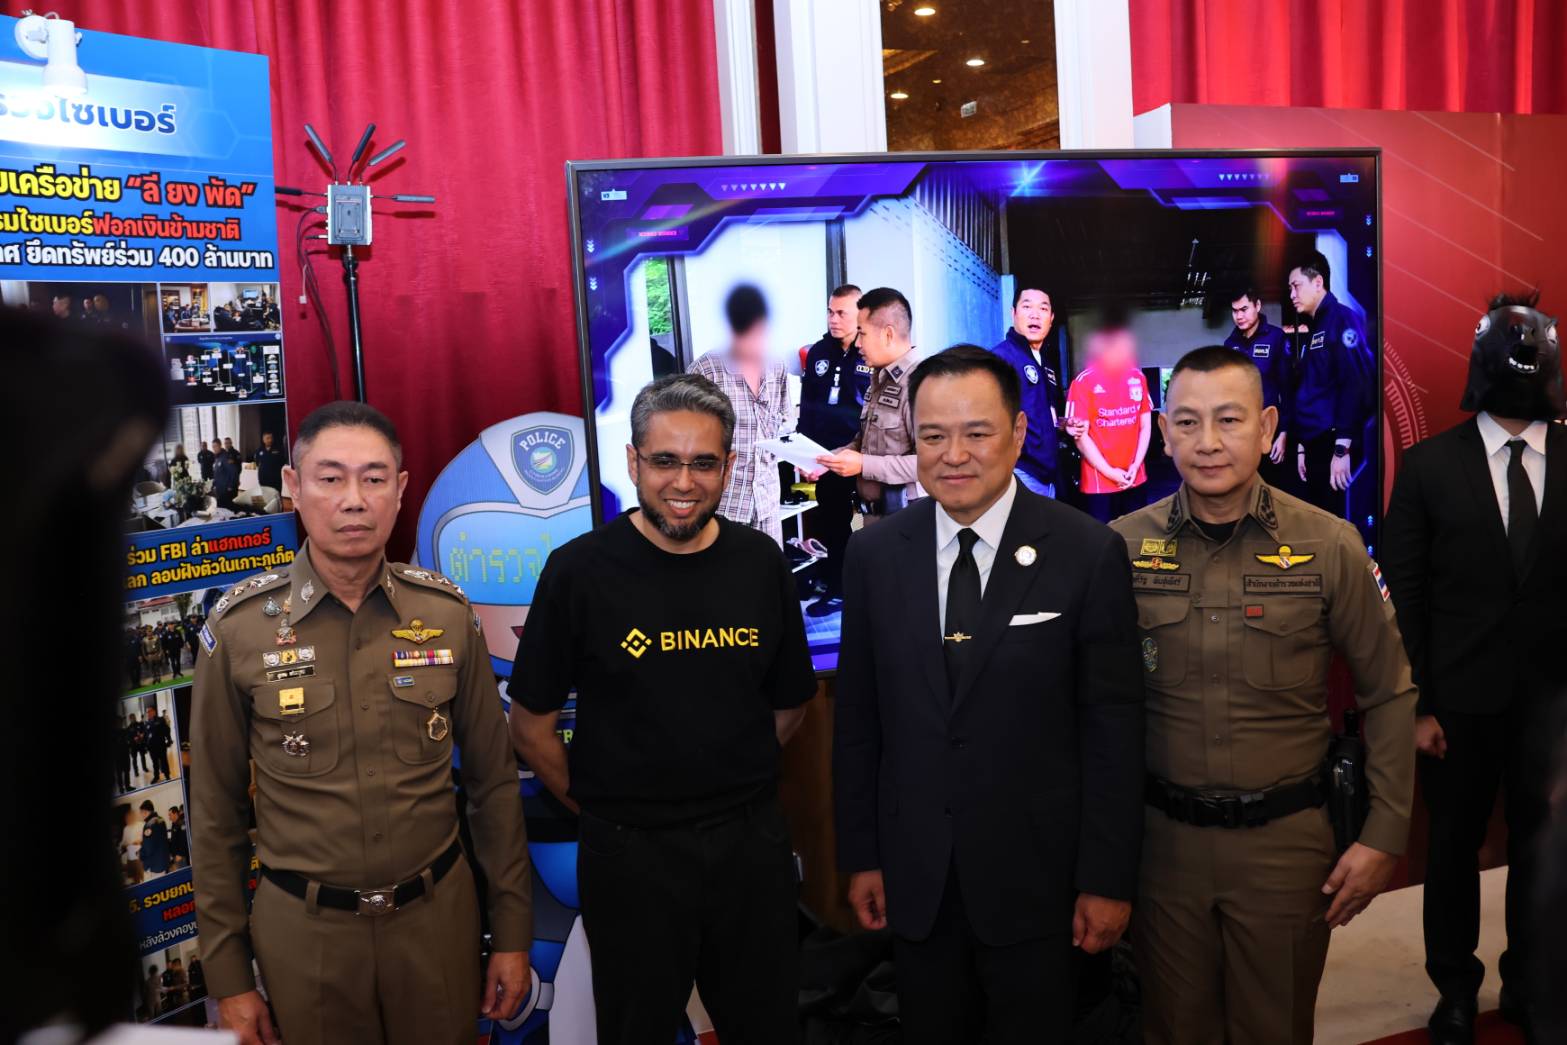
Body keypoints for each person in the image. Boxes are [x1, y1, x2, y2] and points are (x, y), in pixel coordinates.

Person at [190, 401, 532, 1045]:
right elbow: (214, 817)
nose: (354, 499)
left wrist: (512, 934)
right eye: (330, 477)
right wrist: (230, 978)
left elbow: (493, 787)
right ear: (293, 486)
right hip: (306, 938)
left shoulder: (447, 614)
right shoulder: (239, 631)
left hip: (437, 925)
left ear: (400, 491)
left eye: (374, 478)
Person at [834, 345, 1145, 1042]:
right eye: (932, 436)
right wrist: (861, 854)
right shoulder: (875, 556)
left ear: (1018, 432)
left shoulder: (1085, 551)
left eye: (976, 432)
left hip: (1041, 884)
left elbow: (1113, 729)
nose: (954, 455)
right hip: (918, 878)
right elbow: (859, 720)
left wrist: (1106, 877)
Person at [1110, 346, 1416, 1044]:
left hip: (1284, 847)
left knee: (1273, 1029)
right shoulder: (1119, 549)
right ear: (1162, 431)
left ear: (1267, 426)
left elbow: (1389, 692)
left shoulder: (1330, 545)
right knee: (1172, 1029)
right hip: (1161, 850)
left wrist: (1384, 833)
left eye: (1228, 419)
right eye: (1187, 422)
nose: (1207, 442)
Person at [510, 373, 815, 1044]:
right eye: (665, 461)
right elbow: (530, 728)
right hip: (630, 854)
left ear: (728, 466)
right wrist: (605, 807)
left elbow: (791, 705)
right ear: (633, 462)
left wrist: (727, 771)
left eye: (703, 462)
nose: (684, 482)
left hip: (749, 846)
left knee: (767, 1027)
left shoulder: (759, 562)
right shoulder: (579, 570)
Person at [1382, 292, 1567, 1045]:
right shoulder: (1429, 466)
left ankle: (1531, 983)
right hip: (1455, 705)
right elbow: (1405, 593)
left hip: (1553, 708)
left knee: (1543, 852)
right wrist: (1416, 703)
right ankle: (1454, 989)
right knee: (1452, 851)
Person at [689, 284, 794, 547]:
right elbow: (687, 440)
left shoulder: (777, 365)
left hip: (767, 504)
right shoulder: (707, 370)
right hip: (725, 506)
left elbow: (784, 422)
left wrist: (800, 456)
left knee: (770, 571)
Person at [816, 287, 923, 524]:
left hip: (908, 521)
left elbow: (929, 463)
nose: (857, 344)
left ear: (888, 334)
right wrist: (832, 459)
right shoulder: (880, 378)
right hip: (875, 519)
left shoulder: (921, 383)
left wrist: (863, 464)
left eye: (862, 334)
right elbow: (866, 440)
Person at [797, 284, 871, 616]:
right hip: (825, 456)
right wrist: (804, 454)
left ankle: (866, 587)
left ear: (860, 314)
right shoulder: (818, 352)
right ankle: (836, 587)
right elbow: (808, 408)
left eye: (842, 313)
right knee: (833, 523)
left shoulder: (869, 352)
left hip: (861, 455)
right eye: (830, 312)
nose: (833, 319)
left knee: (870, 524)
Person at [1287, 253, 1373, 516]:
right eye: (1290, 288)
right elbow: (1310, 390)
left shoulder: (1342, 319)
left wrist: (1341, 448)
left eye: (1296, 286)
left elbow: (1355, 383)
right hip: (1313, 446)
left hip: (1333, 447)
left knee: (1335, 523)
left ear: (1318, 282)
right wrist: (1302, 448)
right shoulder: (1315, 327)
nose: (1292, 294)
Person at [1066, 316, 1152, 522]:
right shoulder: (1083, 382)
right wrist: (1111, 473)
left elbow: (1145, 426)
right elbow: (1080, 437)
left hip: (1135, 477)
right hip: (1099, 484)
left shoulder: (1138, 378)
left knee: (1138, 535)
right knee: (1103, 538)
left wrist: (1135, 465)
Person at [990, 284, 1063, 496]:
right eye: (1027, 306)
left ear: (1051, 319)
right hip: (1020, 472)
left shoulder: (1045, 363)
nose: (1035, 315)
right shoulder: (1001, 358)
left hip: (1047, 475)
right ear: (1013, 313)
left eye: (1043, 308)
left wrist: (1064, 425)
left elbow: (1042, 411)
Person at [1224, 284, 1295, 488]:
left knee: (1270, 492)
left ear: (1257, 305)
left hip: (1269, 434)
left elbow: (1288, 389)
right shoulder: (1230, 344)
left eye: (1244, 309)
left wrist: (1284, 433)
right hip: (1240, 435)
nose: (1239, 316)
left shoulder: (1276, 338)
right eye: (1235, 311)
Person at [140, 800, 171, 877]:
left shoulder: (148, 825)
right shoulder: (161, 819)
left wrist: (140, 854)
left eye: (141, 812)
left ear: (145, 811)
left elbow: (148, 848)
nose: (141, 815)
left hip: (155, 865)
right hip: (164, 862)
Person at [146, 708, 173, 782]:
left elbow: (167, 730)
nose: (148, 713)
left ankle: (167, 776)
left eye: (149, 711)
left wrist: (169, 740)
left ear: (154, 712)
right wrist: (146, 745)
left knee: (164, 761)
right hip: (152, 747)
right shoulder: (147, 723)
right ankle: (156, 777)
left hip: (161, 745)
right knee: (155, 763)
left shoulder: (160, 720)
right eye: (147, 712)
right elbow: (146, 735)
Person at [211, 441, 240, 510]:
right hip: (220, 489)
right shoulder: (217, 458)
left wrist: (231, 486)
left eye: (216, 446)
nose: (214, 448)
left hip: (226, 489)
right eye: (213, 447)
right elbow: (217, 473)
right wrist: (214, 484)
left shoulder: (226, 457)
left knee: (229, 509)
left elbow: (234, 472)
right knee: (222, 508)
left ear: (220, 446)